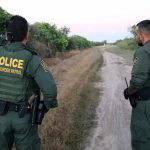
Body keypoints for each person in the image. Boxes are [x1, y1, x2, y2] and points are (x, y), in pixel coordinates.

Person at [0, 15, 58, 150]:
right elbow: (50, 90)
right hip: (23, 118)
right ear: (27, 35)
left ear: (7, 35)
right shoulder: (32, 59)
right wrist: (45, 108)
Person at [124, 20, 150, 150]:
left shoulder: (143, 51)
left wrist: (128, 91)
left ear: (141, 35)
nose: (135, 37)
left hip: (145, 103)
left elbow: (138, 80)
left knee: (142, 138)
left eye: (136, 34)